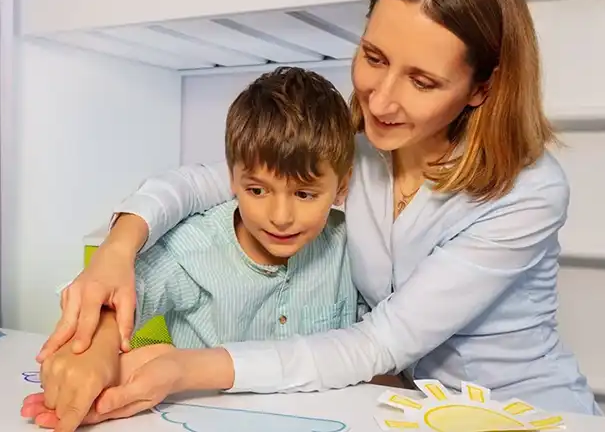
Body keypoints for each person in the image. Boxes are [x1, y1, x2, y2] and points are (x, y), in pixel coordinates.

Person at [36, 0, 602, 428]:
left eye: (423, 81)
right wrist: (118, 250)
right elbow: (207, 183)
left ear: (481, 88)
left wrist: (185, 367)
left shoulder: (529, 193)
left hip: (528, 414)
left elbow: (379, 342)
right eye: (373, 57)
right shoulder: (358, 152)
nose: (379, 100)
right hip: (409, 409)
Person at [23, 66, 379, 430]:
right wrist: (96, 351)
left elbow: (376, 351)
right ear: (231, 179)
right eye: (257, 190)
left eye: (304, 194)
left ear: (342, 186)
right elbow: (125, 294)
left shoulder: (351, 247)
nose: (280, 216)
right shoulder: (195, 246)